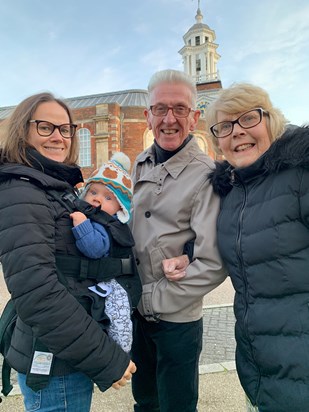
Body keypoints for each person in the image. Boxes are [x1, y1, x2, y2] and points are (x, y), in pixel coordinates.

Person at [0, 92, 136, 412]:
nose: (59, 137)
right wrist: (106, 358)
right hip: (56, 359)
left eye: (65, 129)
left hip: (65, 350)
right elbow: (39, 293)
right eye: (45, 127)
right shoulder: (23, 191)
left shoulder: (50, 185)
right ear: (23, 131)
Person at [205, 82, 309, 412]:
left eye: (248, 119)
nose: (236, 132)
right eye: (225, 126)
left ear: (270, 120)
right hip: (259, 372)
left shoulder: (300, 175)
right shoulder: (232, 191)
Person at [130, 69, 227, 412]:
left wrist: (154, 298)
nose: (169, 119)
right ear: (148, 116)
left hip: (176, 318)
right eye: (160, 109)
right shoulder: (140, 163)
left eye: (180, 109)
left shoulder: (205, 174)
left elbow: (213, 262)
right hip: (137, 313)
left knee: (176, 405)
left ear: (195, 117)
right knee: (144, 400)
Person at [70, 152, 141, 353]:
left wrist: (81, 225)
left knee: (118, 311)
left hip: (111, 281)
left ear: (120, 206)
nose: (97, 200)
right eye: (93, 192)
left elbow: (95, 248)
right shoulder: (95, 216)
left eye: (108, 197)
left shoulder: (105, 224)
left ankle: (120, 350)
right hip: (96, 279)